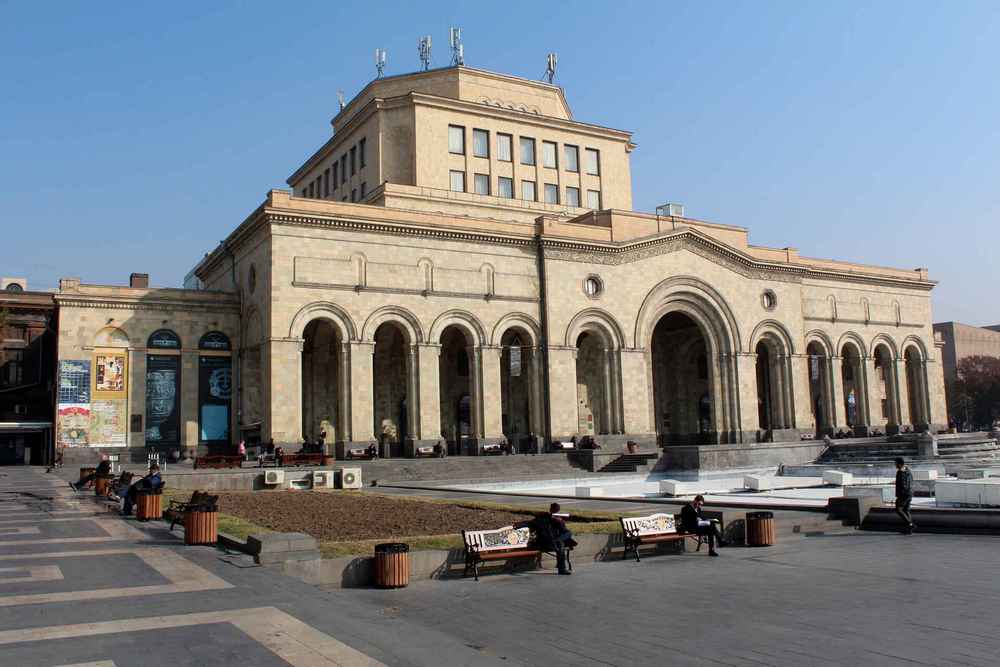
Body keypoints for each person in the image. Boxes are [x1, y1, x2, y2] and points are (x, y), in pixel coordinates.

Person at [517, 502, 576, 575]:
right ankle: (562, 569)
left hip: (554, 541)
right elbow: (529, 523)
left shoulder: (557, 520)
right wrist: (518, 525)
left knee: (565, 537)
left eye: (557, 509)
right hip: (544, 542)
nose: (555, 511)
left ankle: (562, 567)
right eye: (555, 509)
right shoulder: (542, 518)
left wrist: (560, 522)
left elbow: (564, 530)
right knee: (560, 544)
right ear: (551, 509)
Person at [894, 457, 915, 534]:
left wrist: (901, 495)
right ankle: (909, 530)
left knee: (898, 509)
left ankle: (910, 524)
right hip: (910, 493)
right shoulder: (908, 470)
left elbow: (903, 484)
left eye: (895, 463)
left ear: (899, 464)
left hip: (904, 494)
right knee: (906, 510)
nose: (895, 465)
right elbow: (911, 480)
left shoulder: (900, 472)